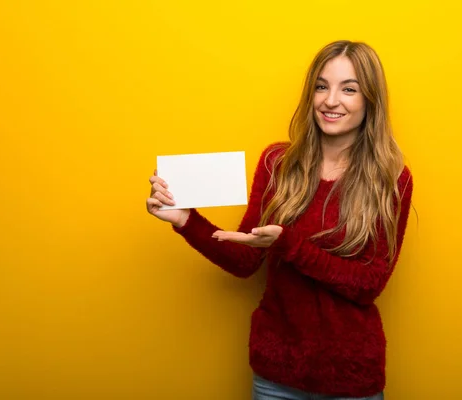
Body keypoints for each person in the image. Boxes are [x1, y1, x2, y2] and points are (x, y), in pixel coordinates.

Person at [147, 40, 413, 400]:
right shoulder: (278, 163)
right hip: (277, 376)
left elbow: (368, 284)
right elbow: (245, 261)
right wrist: (184, 219)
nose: (330, 101)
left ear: (370, 100)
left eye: (348, 89)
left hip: (350, 378)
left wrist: (288, 244)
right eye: (321, 86)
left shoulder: (392, 179)